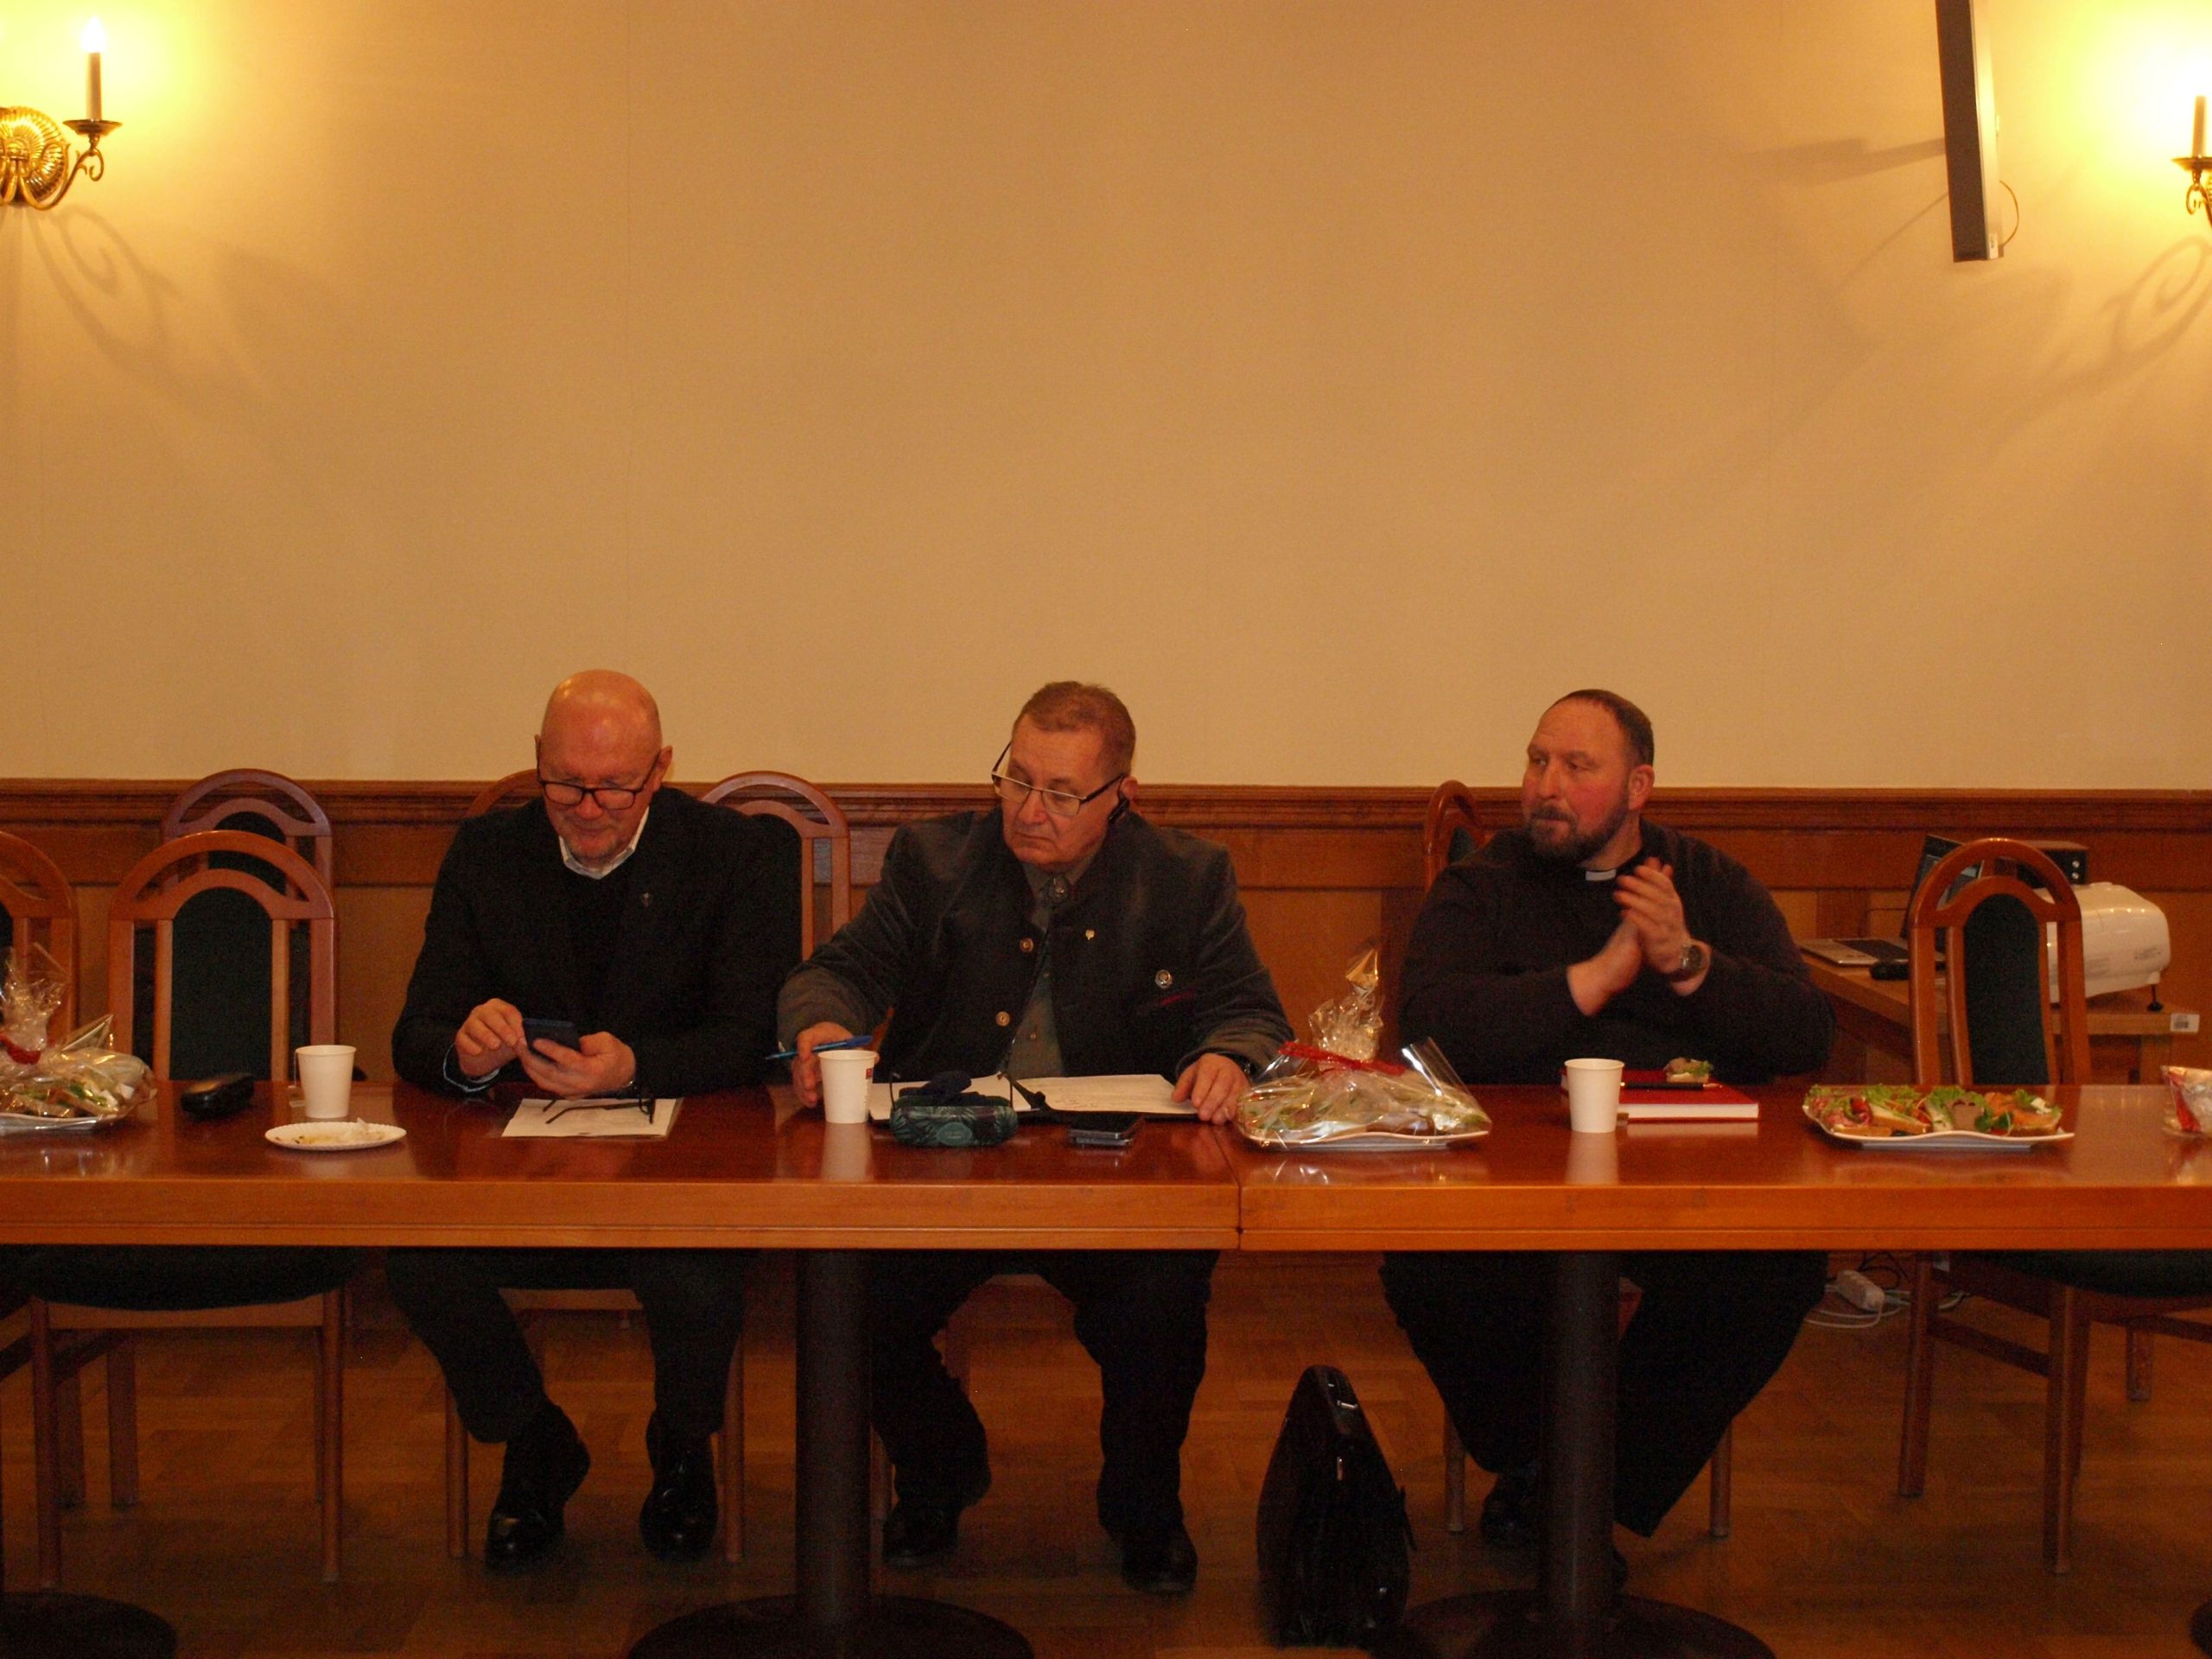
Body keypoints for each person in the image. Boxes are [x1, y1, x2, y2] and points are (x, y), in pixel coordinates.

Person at [778, 681, 1290, 1593]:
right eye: (1016, 780)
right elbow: (842, 971)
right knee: (846, 1293)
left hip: (1117, 1170)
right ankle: (938, 1467)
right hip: (941, 1160)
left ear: (1121, 796)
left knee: (1162, 1304)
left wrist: (1227, 1055)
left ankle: (1143, 1505)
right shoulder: (935, 860)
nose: (1028, 810)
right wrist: (820, 1025)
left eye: (1061, 793)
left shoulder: (1187, 875)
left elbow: (1249, 1010)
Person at [1383, 689, 1831, 1560]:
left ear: (1638, 788)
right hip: (1517, 1183)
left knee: (1776, 1268)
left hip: (1683, 1186)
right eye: (1536, 761)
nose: (1544, 785)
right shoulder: (1483, 885)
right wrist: (1594, 979)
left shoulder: (1707, 884)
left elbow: (1805, 1035)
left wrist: (1688, 964)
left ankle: (1589, 1499)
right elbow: (1427, 1030)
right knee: (1430, 1266)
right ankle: (1537, 1471)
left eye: (1576, 767)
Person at [388, 670, 798, 1569]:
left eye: (615, 787)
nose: (587, 808)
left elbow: (751, 1037)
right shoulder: (488, 854)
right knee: (416, 1256)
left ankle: (682, 1449)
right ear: (538, 762)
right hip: (520, 1175)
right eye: (566, 784)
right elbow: (415, 1032)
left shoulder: (733, 855)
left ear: (662, 769)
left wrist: (635, 1066)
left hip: (677, 1173)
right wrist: (466, 1050)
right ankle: (534, 1441)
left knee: (698, 1275)